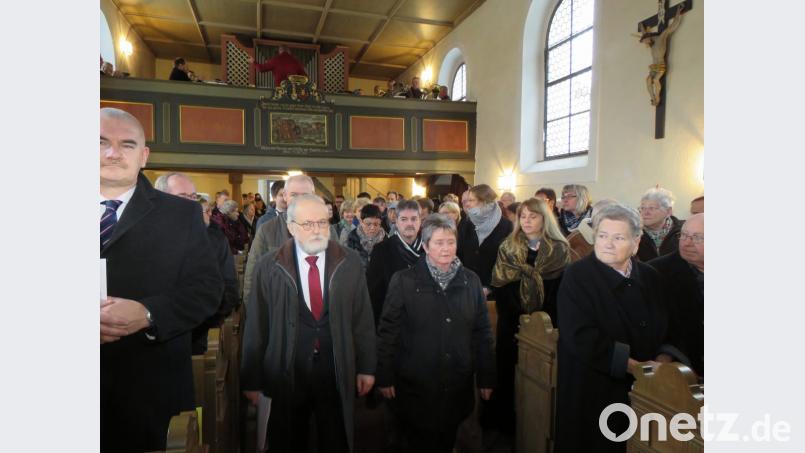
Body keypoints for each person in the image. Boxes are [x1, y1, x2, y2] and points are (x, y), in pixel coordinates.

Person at [100, 108, 223, 452]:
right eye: (100, 142)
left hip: (149, 386)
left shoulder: (180, 214)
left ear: (143, 156)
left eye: (126, 144)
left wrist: (149, 313)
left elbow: (207, 290)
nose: (113, 153)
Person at [241, 194, 376, 453]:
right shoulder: (269, 265)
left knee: (335, 437)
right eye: (308, 224)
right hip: (287, 367)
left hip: (335, 366)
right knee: (290, 439)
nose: (317, 230)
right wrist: (252, 380)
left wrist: (367, 367)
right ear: (291, 227)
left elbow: (363, 319)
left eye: (322, 223)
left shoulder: (349, 262)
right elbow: (257, 326)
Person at [376, 214, 496, 453]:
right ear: (425, 246)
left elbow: (482, 331)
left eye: (450, 242)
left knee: (446, 439)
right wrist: (384, 374)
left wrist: (486, 376)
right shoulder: (404, 281)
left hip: (456, 380)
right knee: (416, 440)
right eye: (439, 243)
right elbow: (389, 330)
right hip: (416, 381)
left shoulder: (470, 280)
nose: (446, 248)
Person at [554, 203, 669, 452]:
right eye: (603, 236)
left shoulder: (651, 276)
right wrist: (635, 367)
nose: (608, 243)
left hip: (648, 390)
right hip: (594, 388)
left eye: (618, 237)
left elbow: (668, 325)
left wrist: (662, 360)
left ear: (636, 242)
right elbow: (580, 336)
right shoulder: (577, 276)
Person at [488, 198, 570, 435]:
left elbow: (561, 291)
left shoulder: (559, 249)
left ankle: (537, 428)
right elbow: (501, 286)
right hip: (512, 323)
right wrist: (520, 316)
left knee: (539, 378)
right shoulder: (508, 246)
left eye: (532, 216)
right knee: (507, 373)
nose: (526, 221)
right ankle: (506, 425)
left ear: (545, 219)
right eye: (523, 216)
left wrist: (540, 319)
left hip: (547, 326)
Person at [154, 172, 240, 355]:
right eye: (183, 197)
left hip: (198, 336)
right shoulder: (148, 236)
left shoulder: (214, 238)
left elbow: (229, 290)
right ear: (161, 198)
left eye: (194, 197)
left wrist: (200, 325)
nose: (191, 204)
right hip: (155, 338)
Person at [244, 175, 336, 299]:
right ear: (285, 196)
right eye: (294, 195)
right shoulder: (267, 230)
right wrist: (253, 311)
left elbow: (338, 272)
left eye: (305, 195)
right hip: (278, 306)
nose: (299, 200)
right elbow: (253, 274)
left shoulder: (328, 231)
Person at [649, 213, 704, 377]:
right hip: (682, 369)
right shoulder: (656, 272)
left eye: (698, 238)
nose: (687, 243)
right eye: (684, 235)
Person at [366, 200, 423, 323]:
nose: (409, 223)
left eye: (414, 219)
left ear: (420, 221)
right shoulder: (381, 250)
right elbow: (374, 295)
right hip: (393, 323)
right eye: (404, 219)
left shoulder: (429, 250)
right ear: (396, 221)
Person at [457, 184, 514, 297]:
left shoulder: (506, 226)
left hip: (497, 292)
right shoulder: (466, 223)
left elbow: (508, 263)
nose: (467, 204)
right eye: (466, 200)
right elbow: (458, 254)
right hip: (468, 288)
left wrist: (490, 287)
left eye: (471, 200)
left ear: (485, 201)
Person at [638, 5, 684, 106]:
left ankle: (657, 98)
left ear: (649, 37)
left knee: (655, 79)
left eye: (645, 41)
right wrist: (641, 27)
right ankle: (652, 98)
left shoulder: (661, 38)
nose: (646, 44)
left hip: (660, 66)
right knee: (648, 80)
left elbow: (672, 27)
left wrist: (678, 14)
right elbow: (644, 34)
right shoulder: (651, 44)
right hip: (653, 67)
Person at [636, 187, 683, 261]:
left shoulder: (683, 230)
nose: (645, 213)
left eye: (651, 208)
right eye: (642, 208)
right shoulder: (634, 232)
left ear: (668, 211)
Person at [346, 203, 387, 270]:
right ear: (361, 222)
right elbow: (349, 263)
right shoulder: (353, 237)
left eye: (376, 224)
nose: (372, 228)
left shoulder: (385, 239)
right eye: (368, 224)